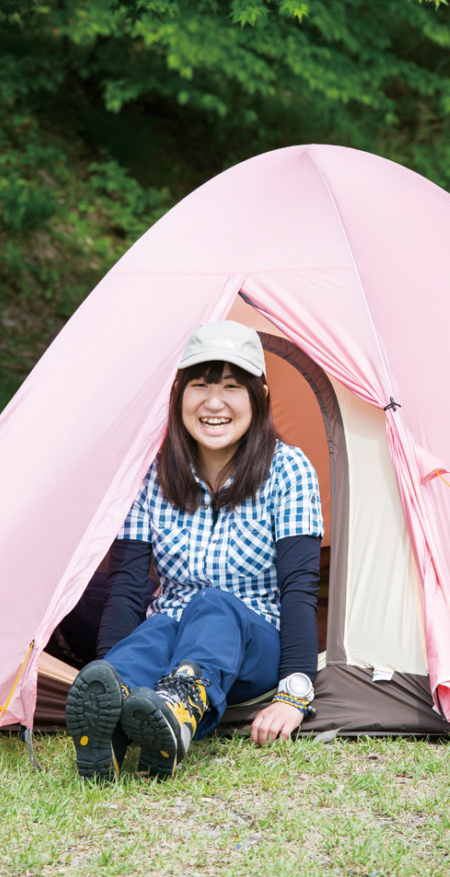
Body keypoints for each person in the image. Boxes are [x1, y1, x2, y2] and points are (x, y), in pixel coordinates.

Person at [65, 320, 323, 781]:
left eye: (231, 387)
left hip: (253, 644)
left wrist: (293, 695)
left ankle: (179, 709)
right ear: (179, 394)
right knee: (157, 627)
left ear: (259, 395)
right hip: (172, 634)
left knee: (213, 604)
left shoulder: (289, 470)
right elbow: (126, 586)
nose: (214, 403)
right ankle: (115, 710)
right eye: (200, 385)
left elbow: (299, 589)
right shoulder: (153, 472)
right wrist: (106, 666)